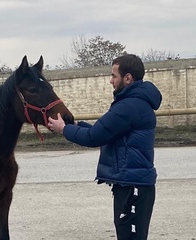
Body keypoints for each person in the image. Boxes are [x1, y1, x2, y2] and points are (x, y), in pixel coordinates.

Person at [48, 54, 162, 240]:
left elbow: (94, 137)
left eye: (113, 76)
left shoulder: (129, 106)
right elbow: (105, 132)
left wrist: (64, 129)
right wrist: (76, 126)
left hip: (132, 186)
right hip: (131, 185)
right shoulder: (134, 102)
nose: (110, 81)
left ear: (128, 78)